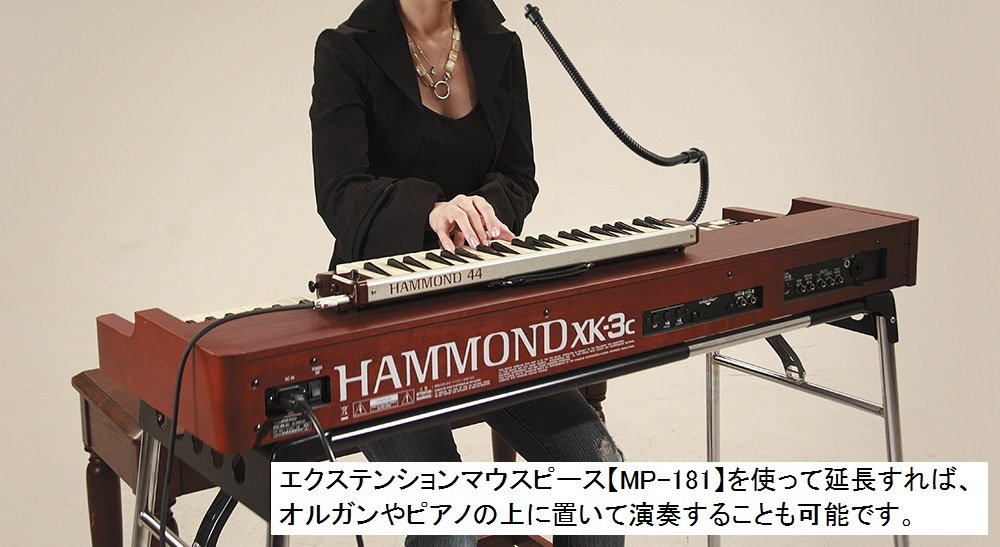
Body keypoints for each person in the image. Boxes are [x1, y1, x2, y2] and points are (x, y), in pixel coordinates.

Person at [310, 1, 625, 546]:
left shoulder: (501, 45)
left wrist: (480, 212)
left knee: (602, 492)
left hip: (485, 310)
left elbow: (518, 175)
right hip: (382, 330)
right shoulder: (344, 49)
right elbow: (339, 194)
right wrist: (431, 211)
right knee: (448, 525)